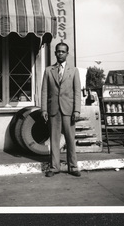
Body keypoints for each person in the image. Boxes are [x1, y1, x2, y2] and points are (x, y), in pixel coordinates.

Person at [41, 42, 81, 177]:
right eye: (58, 51)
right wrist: (44, 110)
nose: (60, 54)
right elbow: (44, 91)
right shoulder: (48, 70)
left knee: (70, 139)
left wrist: (77, 110)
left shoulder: (74, 71)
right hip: (53, 110)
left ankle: (73, 167)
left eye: (63, 52)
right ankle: (54, 167)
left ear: (67, 54)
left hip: (69, 110)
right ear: (55, 53)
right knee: (54, 140)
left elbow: (77, 92)